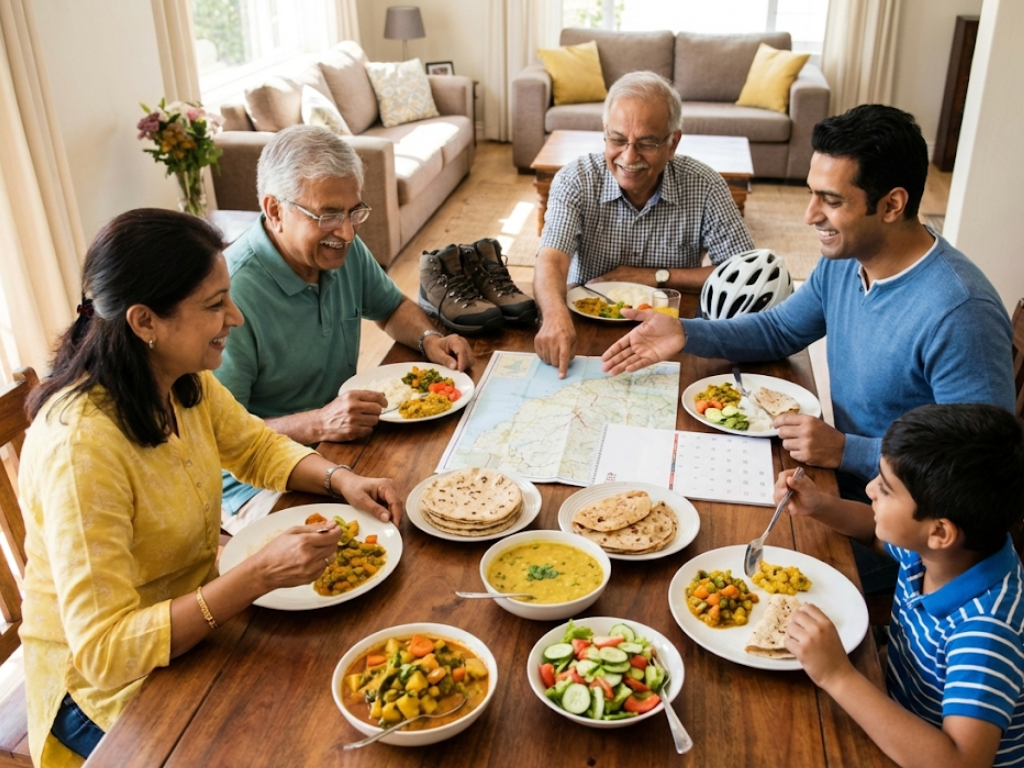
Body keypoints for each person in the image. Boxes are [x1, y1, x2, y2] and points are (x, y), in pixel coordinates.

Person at [18, 209, 404, 768]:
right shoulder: (80, 450)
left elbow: (255, 447)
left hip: (199, 627)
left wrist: (343, 479)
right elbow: (104, 653)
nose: (237, 317)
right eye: (214, 305)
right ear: (145, 321)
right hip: (105, 701)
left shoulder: (179, 379)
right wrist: (256, 576)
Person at [602, 104, 1015, 493]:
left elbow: (982, 467)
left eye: (831, 201)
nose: (810, 215)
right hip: (841, 484)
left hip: (909, 533)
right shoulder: (847, 260)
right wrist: (686, 332)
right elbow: (780, 328)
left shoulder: (960, 314)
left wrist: (845, 450)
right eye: (812, 193)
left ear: (892, 204)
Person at [214, 125, 473, 532]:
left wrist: (430, 338)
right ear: (275, 210)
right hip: (258, 482)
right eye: (328, 215)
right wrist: (318, 422)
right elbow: (220, 435)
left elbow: (389, 309)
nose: (348, 232)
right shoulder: (230, 294)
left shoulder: (338, 248)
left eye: (354, 212)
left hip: (343, 443)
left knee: (444, 490)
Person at [773, 403, 1024, 768]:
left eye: (886, 490)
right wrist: (821, 505)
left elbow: (962, 762)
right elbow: (875, 534)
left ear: (939, 531)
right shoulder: (940, 551)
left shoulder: (986, 631)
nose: (871, 489)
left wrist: (837, 675)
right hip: (895, 701)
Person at [533, 70, 754, 378]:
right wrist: (554, 316)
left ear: (673, 142)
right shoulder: (576, 179)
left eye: (647, 143)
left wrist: (652, 276)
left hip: (673, 333)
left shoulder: (705, 185)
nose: (629, 156)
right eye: (618, 139)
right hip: (583, 328)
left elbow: (743, 276)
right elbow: (551, 259)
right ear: (605, 132)